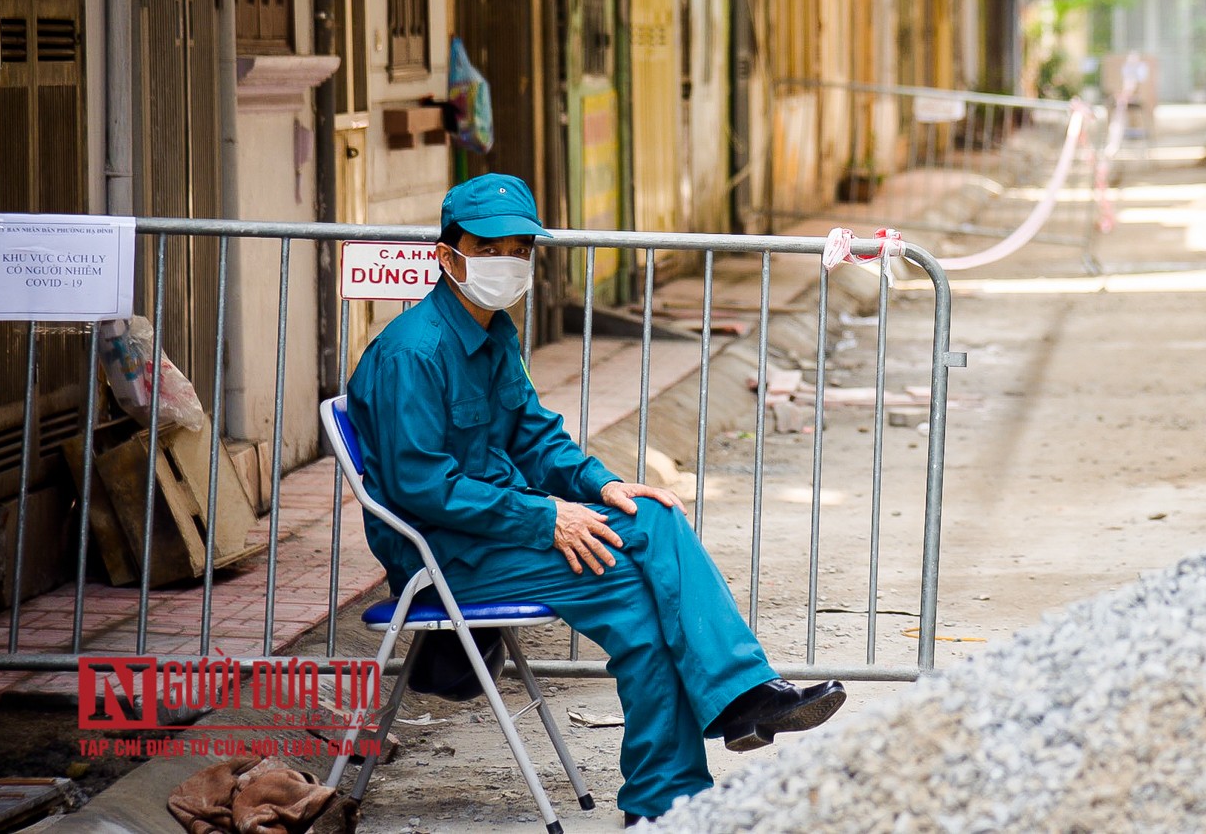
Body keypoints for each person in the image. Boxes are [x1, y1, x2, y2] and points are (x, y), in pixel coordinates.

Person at [344, 174, 844, 824]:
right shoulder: (414, 352)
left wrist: (599, 485)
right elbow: (423, 488)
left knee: (642, 583)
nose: (508, 262)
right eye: (489, 247)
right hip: (446, 555)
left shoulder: (492, 332)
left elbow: (534, 436)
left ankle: (668, 798)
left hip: (500, 534)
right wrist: (547, 515)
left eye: (520, 249)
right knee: (653, 532)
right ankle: (733, 706)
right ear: (447, 256)